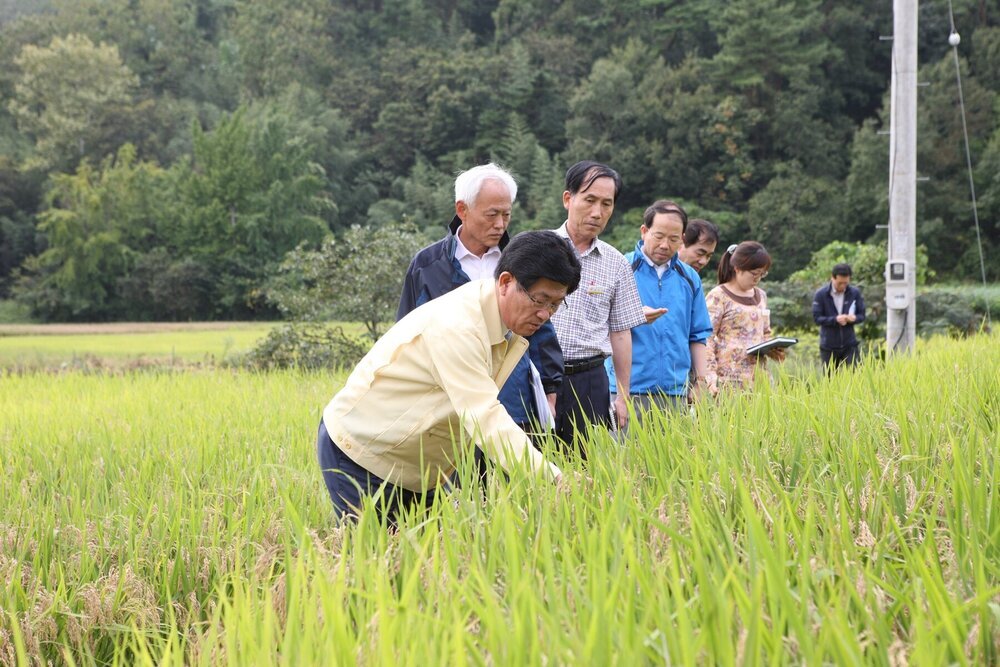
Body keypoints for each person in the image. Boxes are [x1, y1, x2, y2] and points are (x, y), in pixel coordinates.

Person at [318, 231, 582, 524]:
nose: (545, 314)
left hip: (420, 463)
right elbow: (485, 416)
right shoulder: (458, 327)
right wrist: (553, 478)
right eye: (540, 300)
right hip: (362, 451)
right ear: (506, 282)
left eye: (556, 305)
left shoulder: (506, 322)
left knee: (429, 559)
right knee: (375, 561)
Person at [398, 164, 563, 436]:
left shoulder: (523, 262)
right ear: (462, 210)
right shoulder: (428, 265)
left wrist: (550, 391)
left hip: (513, 398)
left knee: (514, 472)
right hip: (448, 401)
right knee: (455, 476)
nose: (500, 224)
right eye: (492, 214)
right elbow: (407, 333)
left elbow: (541, 326)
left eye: (506, 215)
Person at [550, 161, 646, 449]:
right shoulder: (540, 249)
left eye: (607, 204)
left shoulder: (616, 263)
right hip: (539, 376)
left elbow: (620, 332)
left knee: (585, 469)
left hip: (589, 381)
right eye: (589, 200)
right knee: (530, 466)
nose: (597, 212)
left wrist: (623, 395)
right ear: (569, 199)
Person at [607, 200, 712, 420]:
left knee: (672, 455)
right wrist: (634, 317)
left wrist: (700, 381)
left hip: (674, 392)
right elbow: (598, 324)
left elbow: (698, 334)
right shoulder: (620, 267)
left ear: (682, 239)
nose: (665, 245)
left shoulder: (690, 277)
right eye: (658, 236)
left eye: (673, 239)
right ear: (644, 232)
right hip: (626, 391)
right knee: (623, 454)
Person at [704, 242, 785, 394]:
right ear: (737, 268)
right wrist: (709, 375)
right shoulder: (718, 296)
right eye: (754, 274)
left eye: (762, 274)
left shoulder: (761, 296)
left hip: (759, 377)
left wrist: (774, 349)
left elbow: (765, 333)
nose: (757, 279)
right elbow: (706, 337)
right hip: (728, 378)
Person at [812, 263, 866, 370]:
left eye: (845, 283)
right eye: (840, 283)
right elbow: (817, 318)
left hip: (849, 344)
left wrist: (853, 318)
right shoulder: (821, 294)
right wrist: (835, 319)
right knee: (830, 380)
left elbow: (862, 315)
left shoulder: (854, 293)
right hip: (828, 346)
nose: (843, 286)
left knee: (855, 377)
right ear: (833, 278)